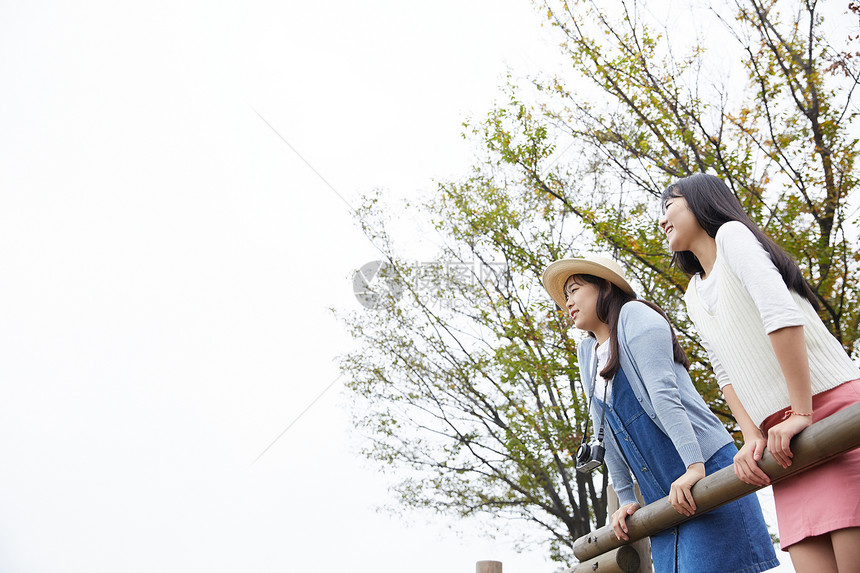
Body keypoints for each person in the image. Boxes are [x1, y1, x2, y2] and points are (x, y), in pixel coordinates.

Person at [659, 172, 860, 573]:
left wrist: (801, 412)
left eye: (669, 204)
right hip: (781, 445)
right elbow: (724, 370)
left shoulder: (733, 235)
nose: (662, 218)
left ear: (703, 201)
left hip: (833, 414)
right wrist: (751, 434)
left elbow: (780, 315)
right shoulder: (693, 294)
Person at [542, 255, 778, 573]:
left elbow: (664, 397)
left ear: (605, 287)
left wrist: (694, 468)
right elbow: (604, 431)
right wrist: (627, 498)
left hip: (705, 471)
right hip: (661, 496)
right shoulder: (587, 353)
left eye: (575, 289)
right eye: (565, 295)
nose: (568, 301)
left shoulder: (635, 316)